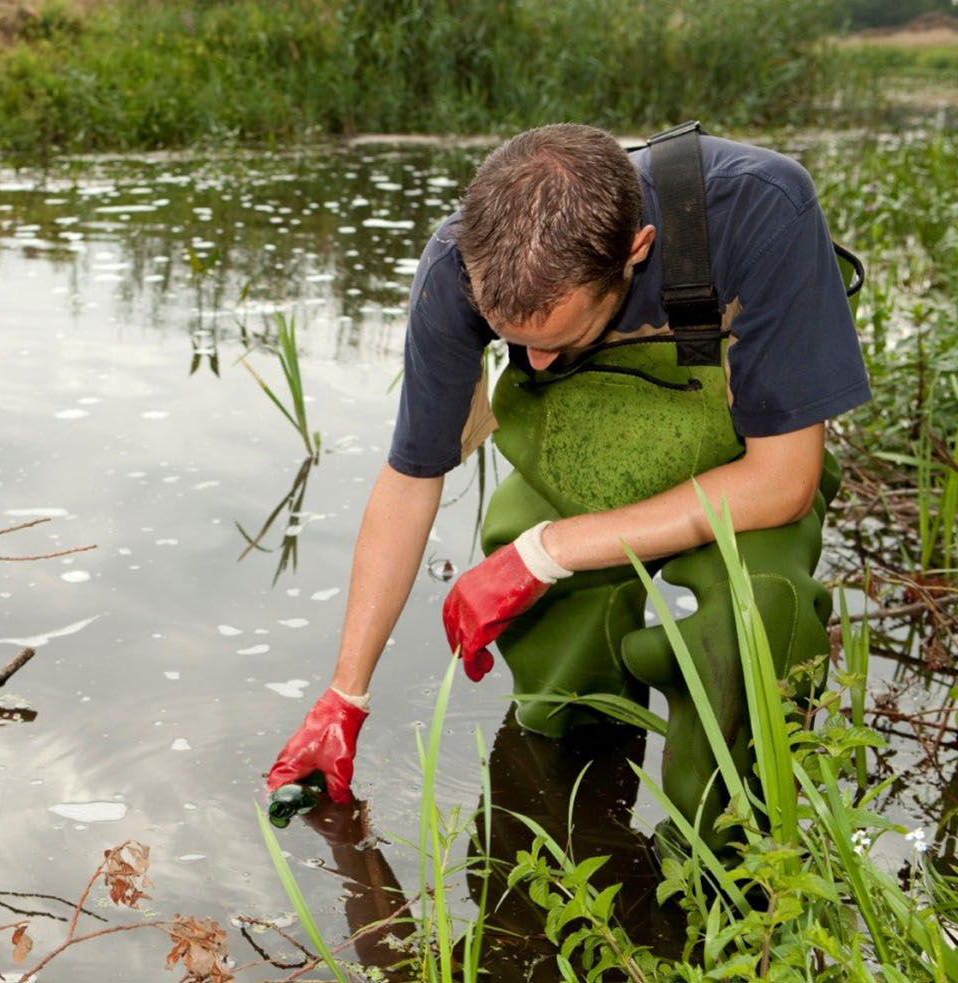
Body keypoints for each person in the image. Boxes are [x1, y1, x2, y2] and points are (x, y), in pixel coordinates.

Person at [265, 122, 869, 844]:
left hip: (743, 472)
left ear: (636, 249)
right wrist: (345, 695)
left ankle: (724, 864)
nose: (535, 365)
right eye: (514, 341)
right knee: (558, 708)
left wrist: (546, 551)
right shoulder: (453, 263)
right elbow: (411, 477)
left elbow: (784, 480)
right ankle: (575, 831)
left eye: (558, 341)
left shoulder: (761, 207)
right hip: (576, 461)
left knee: (754, 624)